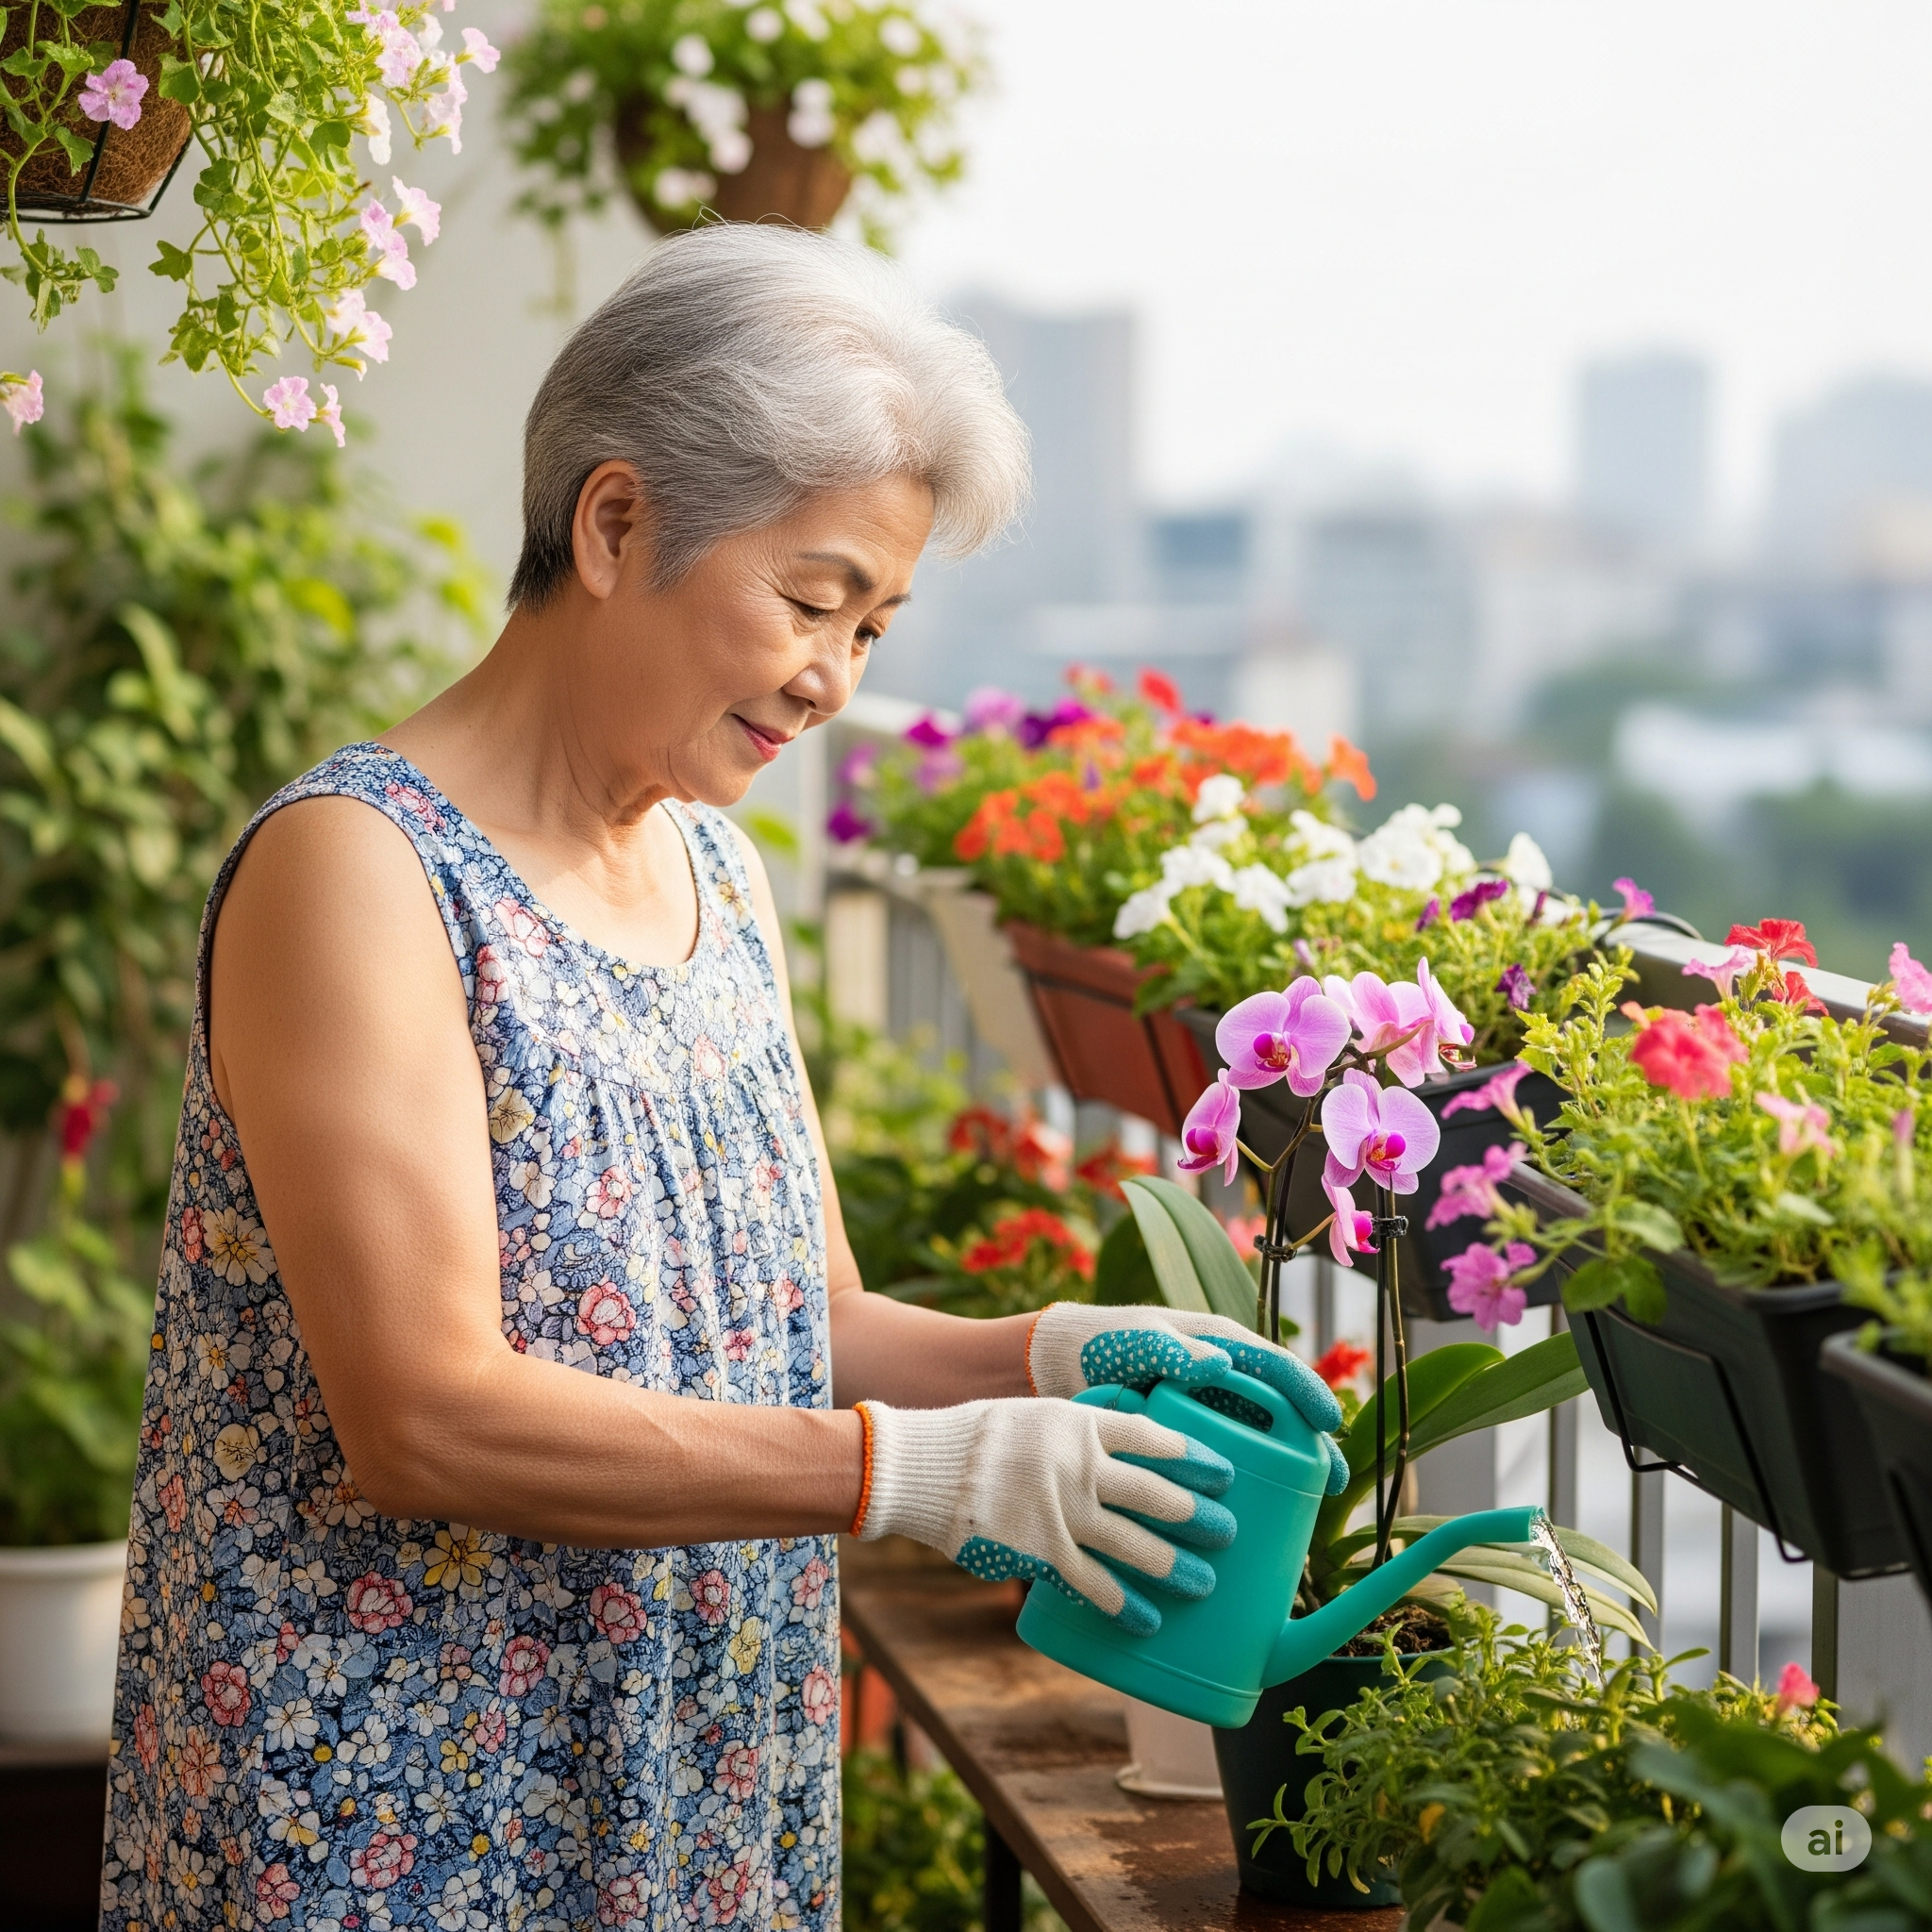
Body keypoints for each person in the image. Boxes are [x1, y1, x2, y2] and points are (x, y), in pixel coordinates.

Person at [99, 225, 1345, 1932]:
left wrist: (1051, 1358)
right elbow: (423, 1416)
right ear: (616, 523)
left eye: (876, 627)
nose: (834, 679)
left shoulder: (718, 875)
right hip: (408, 1798)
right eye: (814, 600)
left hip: (700, 1772)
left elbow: (798, 1316)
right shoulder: (362, 872)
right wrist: (918, 1474)